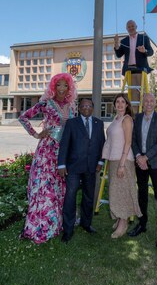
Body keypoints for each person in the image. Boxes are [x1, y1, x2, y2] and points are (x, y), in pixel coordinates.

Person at [18, 73, 77, 244]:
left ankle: (58, 223)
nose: (61, 89)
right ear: (53, 86)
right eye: (58, 85)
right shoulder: (45, 103)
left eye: (65, 85)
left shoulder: (72, 106)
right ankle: (41, 226)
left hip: (64, 151)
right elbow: (23, 118)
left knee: (61, 188)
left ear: (69, 88)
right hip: (47, 152)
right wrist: (36, 134)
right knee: (45, 188)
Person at [58, 98, 105, 243]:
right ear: (79, 109)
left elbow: (102, 144)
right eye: (83, 105)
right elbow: (64, 144)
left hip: (91, 167)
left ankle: (86, 223)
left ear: (93, 108)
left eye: (89, 105)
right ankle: (68, 229)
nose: (86, 108)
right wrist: (61, 165)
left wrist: (100, 162)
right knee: (70, 197)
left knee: (89, 196)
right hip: (73, 167)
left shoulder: (99, 123)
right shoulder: (72, 123)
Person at [130, 93, 157, 248]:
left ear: (155, 103)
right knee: (142, 194)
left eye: (151, 101)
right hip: (140, 162)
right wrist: (139, 156)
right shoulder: (137, 118)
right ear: (142, 103)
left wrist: (146, 157)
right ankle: (142, 223)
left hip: (155, 163)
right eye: (146, 101)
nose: (149, 103)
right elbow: (133, 139)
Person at [102, 93, 142, 238]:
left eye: (122, 102)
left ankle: (123, 223)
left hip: (123, 161)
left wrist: (121, 164)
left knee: (123, 192)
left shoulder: (126, 119)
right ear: (114, 105)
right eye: (117, 102)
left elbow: (128, 142)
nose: (119, 104)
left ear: (126, 105)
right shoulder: (116, 119)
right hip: (114, 160)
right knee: (116, 191)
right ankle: (119, 218)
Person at [114, 20, 153, 111]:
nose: (131, 28)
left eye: (132, 26)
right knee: (132, 95)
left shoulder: (143, 38)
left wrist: (144, 51)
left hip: (140, 69)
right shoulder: (124, 41)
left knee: (142, 94)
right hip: (129, 70)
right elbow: (119, 54)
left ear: (136, 26)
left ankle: (145, 113)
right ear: (126, 28)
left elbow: (151, 52)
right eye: (129, 27)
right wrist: (116, 44)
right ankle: (134, 116)